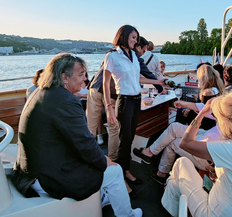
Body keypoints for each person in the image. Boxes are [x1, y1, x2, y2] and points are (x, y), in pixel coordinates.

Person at [11, 53, 142, 217]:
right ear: (64, 77)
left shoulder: (42, 92)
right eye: (81, 75)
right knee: (115, 171)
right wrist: (104, 161)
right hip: (47, 177)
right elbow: (84, 143)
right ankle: (127, 215)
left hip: (30, 171)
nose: (85, 80)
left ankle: (101, 197)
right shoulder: (65, 100)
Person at [134, 80, 232, 199]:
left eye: (231, 94)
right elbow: (208, 109)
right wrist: (184, 104)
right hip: (206, 135)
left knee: (173, 142)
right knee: (174, 128)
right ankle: (151, 154)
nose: (226, 96)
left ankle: (160, 172)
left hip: (209, 154)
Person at [161, 93, 232, 217]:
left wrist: (202, 113)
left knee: (181, 163)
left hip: (214, 213)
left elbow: (185, 143)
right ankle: (171, 198)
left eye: (216, 118)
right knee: (174, 181)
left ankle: (171, 207)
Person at [103, 25, 165, 187]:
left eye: (136, 38)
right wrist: (109, 107)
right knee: (125, 140)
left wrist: (157, 82)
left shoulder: (133, 56)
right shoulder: (112, 56)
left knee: (130, 138)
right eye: (133, 37)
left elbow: (138, 79)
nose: (135, 41)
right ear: (123, 36)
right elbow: (105, 82)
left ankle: (125, 170)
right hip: (125, 101)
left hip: (137, 100)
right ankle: (123, 175)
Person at [86, 38, 164, 161]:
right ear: (138, 47)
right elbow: (144, 73)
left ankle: (89, 161)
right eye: (143, 50)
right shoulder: (132, 56)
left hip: (95, 88)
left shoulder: (112, 53)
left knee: (90, 128)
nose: (143, 54)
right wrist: (159, 87)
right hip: (112, 93)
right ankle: (112, 160)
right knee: (114, 129)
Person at [175, 64, 224, 130]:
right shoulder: (216, 90)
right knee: (182, 112)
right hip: (209, 123)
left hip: (201, 126)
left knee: (174, 125)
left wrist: (190, 125)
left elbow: (203, 110)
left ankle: (183, 131)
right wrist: (190, 109)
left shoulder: (207, 92)